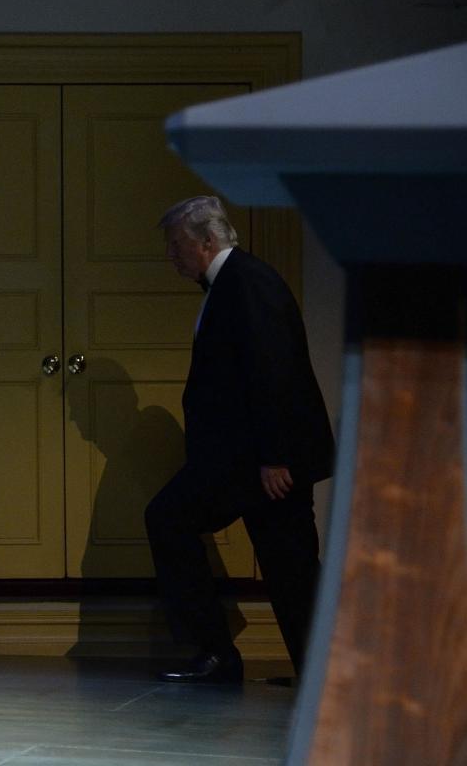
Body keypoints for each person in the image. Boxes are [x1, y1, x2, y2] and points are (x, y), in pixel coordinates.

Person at [145, 195, 333, 684]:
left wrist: (274, 456)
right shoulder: (236, 281)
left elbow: (273, 370)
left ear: (208, 242)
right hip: (248, 461)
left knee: (173, 520)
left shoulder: (246, 283)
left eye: (177, 245)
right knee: (290, 565)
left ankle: (217, 651)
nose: (172, 256)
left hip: (260, 463)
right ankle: (315, 673)